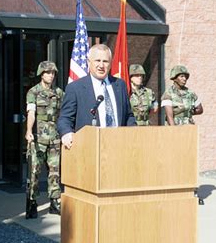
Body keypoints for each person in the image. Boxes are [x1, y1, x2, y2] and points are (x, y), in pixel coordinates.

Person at [57, 44, 136, 149]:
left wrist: (134, 135)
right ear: (89, 62)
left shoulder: (120, 85)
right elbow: (65, 118)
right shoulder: (75, 88)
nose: (101, 65)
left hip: (119, 147)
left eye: (105, 61)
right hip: (89, 148)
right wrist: (66, 133)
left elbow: (128, 116)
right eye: (97, 61)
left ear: (111, 63)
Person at [25, 61, 64, 217]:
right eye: (48, 72)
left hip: (54, 137)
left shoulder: (60, 93)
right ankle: (32, 202)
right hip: (38, 137)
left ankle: (54, 202)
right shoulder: (33, 92)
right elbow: (31, 113)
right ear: (41, 74)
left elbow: (63, 114)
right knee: (34, 171)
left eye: (53, 73)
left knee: (54, 171)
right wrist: (28, 131)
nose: (51, 75)